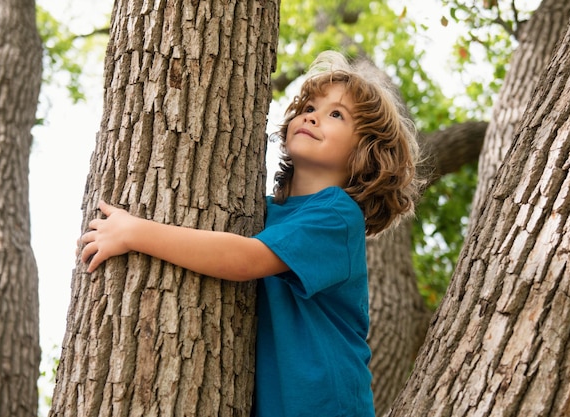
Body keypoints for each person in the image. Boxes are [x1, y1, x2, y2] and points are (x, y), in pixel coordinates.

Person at [79, 50, 421, 416]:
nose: (312, 115)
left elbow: (245, 259)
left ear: (365, 153)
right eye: (309, 106)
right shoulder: (262, 211)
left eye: (336, 114)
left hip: (325, 404)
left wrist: (136, 233)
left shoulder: (337, 215)